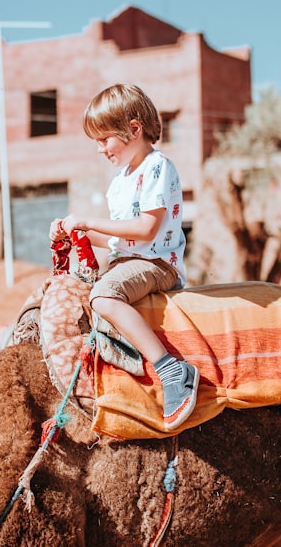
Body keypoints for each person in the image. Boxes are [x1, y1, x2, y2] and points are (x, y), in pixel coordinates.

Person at [49, 83, 199, 431]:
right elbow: (117, 237)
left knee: (102, 296)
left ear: (134, 129)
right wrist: (77, 236)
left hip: (156, 264)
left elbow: (146, 229)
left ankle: (171, 368)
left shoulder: (157, 166)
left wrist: (86, 220)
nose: (101, 150)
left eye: (104, 140)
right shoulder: (120, 181)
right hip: (128, 261)